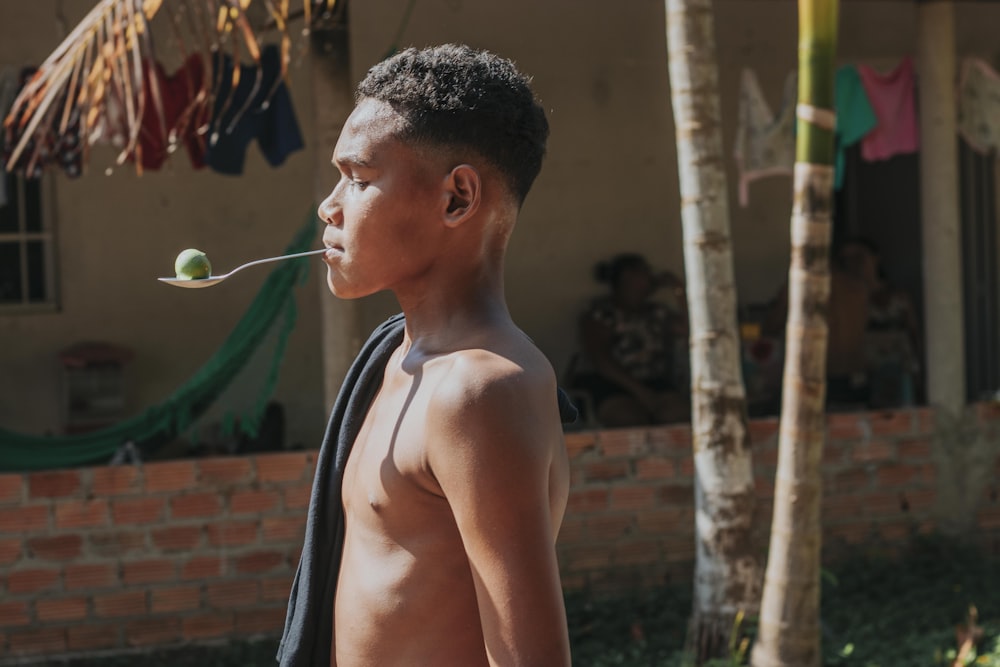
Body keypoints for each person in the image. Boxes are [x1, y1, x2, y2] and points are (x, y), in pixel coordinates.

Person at [278, 45, 573, 667]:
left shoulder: (478, 392)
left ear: (457, 198)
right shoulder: (398, 359)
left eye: (358, 179)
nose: (330, 207)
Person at [569, 253, 689, 426]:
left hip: (653, 382)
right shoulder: (600, 313)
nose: (650, 278)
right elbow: (600, 360)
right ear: (627, 277)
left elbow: (689, 329)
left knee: (679, 416)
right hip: (609, 385)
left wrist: (679, 290)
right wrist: (643, 394)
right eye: (644, 273)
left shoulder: (656, 312)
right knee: (630, 420)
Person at [840, 237, 921, 407]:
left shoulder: (899, 297)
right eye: (847, 259)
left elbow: (914, 335)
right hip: (861, 375)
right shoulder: (845, 302)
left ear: (875, 258)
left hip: (898, 372)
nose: (854, 263)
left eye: (860, 256)